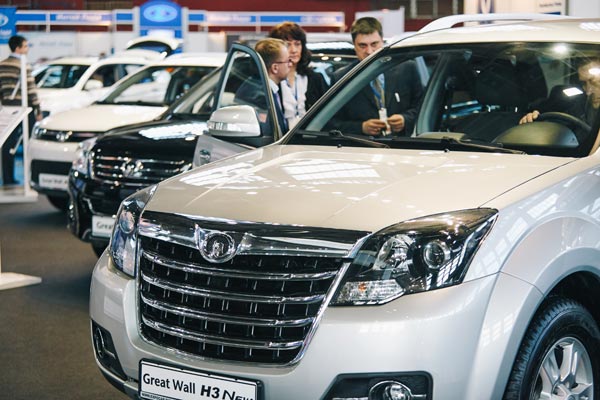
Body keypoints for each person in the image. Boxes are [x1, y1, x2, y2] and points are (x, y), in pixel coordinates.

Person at [331, 17, 423, 136]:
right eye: (362, 45)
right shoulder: (342, 78)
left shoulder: (406, 69)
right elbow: (331, 123)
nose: (369, 51)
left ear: (382, 42)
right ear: (354, 46)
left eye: (374, 44)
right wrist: (361, 127)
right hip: (361, 144)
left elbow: (423, 106)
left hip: (402, 143)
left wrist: (405, 119)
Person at [268, 22, 329, 129]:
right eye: (288, 45)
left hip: (311, 136)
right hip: (281, 137)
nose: (294, 50)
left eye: (297, 44)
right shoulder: (271, 80)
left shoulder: (315, 79)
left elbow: (328, 113)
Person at [0, 35, 42, 185]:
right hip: (24, 109)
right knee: (29, 142)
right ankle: (30, 177)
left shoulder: (2, 65)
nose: (27, 48)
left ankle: (7, 178)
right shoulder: (23, 65)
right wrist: (38, 109)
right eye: (25, 46)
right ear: (18, 48)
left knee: (8, 143)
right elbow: (31, 90)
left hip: (8, 108)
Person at [519, 58, 600, 126]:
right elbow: (563, 121)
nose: (588, 92)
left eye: (595, 83)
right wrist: (537, 119)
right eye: (584, 83)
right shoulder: (582, 105)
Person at [235, 38, 291, 134]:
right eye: (288, 61)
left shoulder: (261, 87)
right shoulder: (259, 95)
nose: (290, 64)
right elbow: (266, 134)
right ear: (275, 68)